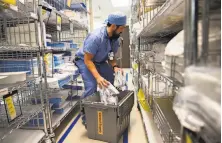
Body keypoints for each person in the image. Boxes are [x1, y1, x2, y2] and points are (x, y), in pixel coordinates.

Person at [74, 12, 127, 98]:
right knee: (92, 86)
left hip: (100, 61)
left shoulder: (114, 39)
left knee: (111, 78)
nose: (122, 31)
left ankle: (108, 102)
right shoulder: (95, 37)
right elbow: (88, 60)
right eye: (121, 28)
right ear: (113, 26)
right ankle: (86, 109)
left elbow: (111, 55)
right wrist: (98, 77)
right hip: (85, 61)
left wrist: (115, 66)